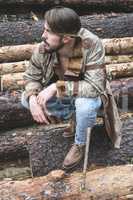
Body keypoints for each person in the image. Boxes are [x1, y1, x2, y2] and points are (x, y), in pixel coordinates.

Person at [21, 6, 106, 169]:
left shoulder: (91, 44)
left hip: (87, 94)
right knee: (25, 100)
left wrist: (56, 87)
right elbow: (31, 77)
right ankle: (72, 117)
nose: (42, 35)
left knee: (85, 106)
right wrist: (32, 98)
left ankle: (80, 144)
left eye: (48, 31)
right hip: (65, 94)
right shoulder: (45, 47)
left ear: (66, 38)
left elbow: (95, 87)